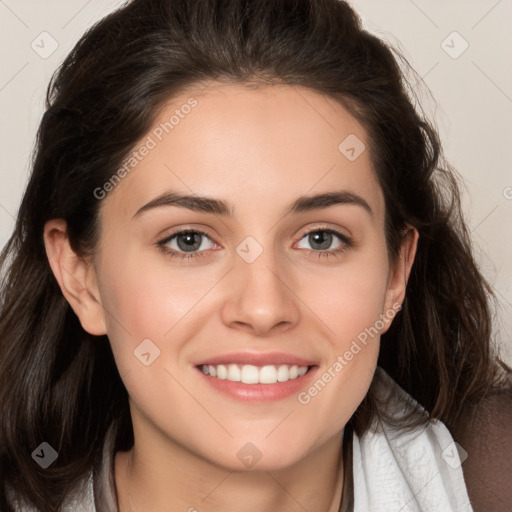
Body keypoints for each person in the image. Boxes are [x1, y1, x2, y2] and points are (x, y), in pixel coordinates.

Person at [0, 0, 510, 511]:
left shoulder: (493, 476)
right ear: (79, 275)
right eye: (189, 240)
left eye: (320, 239)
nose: (263, 309)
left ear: (395, 273)